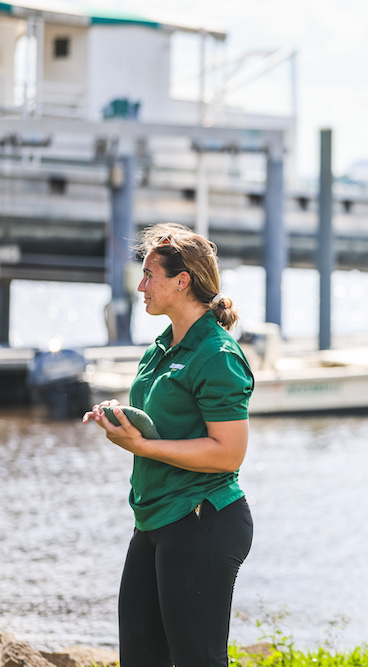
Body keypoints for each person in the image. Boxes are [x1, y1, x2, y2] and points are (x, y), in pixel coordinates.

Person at [82, 222, 254, 667]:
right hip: (154, 517)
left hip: (201, 518)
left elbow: (228, 452)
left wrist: (141, 447)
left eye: (149, 275)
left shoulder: (216, 354)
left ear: (182, 281)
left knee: (199, 660)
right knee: (139, 659)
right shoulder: (163, 346)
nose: (140, 286)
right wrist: (121, 416)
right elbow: (163, 420)